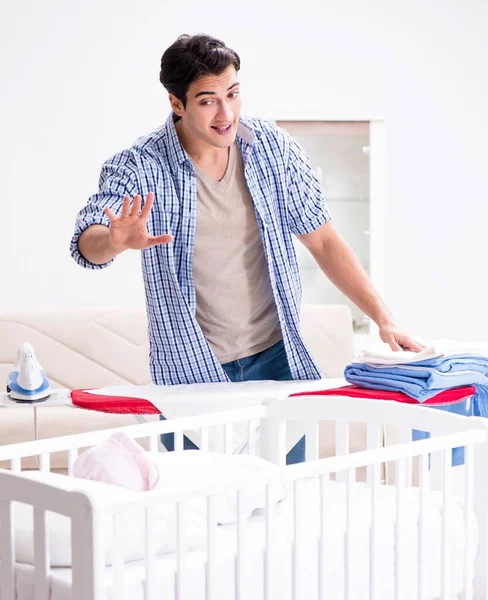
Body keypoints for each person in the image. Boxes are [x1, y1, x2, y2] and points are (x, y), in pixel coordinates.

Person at [71, 33, 421, 464]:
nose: (226, 113)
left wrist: (383, 319)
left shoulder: (271, 149)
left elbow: (324, 240)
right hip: (190, 372)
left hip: (277, 359)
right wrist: (116, 240)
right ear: (176, 103)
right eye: (207, 100)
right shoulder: (142, 165)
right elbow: (87, 241)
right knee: (200, 511)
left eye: (233, 94)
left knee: (285, 503)